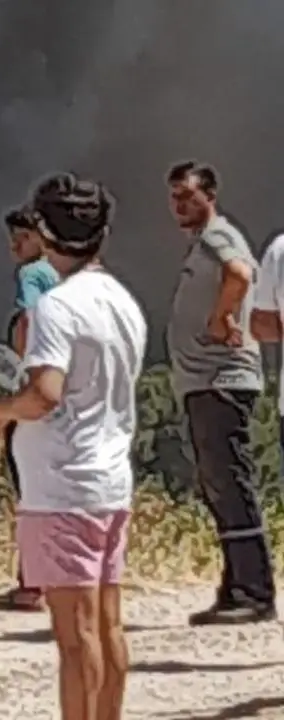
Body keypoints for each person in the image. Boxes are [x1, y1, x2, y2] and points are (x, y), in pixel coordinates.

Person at [0, 173, 145, 720]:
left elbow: (44, 393)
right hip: (110, 481)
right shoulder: (123, 301)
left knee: (76, 637)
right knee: (109, 625)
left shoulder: (57, 307)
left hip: (62, 486)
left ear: (44, 233)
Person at [165, 160, 277, 625]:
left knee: (230, 483)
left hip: (222, 381)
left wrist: (221, 318)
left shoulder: (218, 236)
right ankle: (236, 587)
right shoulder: (205, 242)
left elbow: (240, 273)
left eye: (188, 196)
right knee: (219, 485)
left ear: (210, 195)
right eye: (174, 197)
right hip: (206, 382)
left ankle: (254, 591)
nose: (179, 205)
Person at [0, 205, 61, 613]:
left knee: (29, 490)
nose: (15, 246)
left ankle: (31, 585)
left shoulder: (33, 274)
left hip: (35, 393)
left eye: (23, 237)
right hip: (66, 394)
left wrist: (25, 368)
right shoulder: (69, 274)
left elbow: (30, 320)